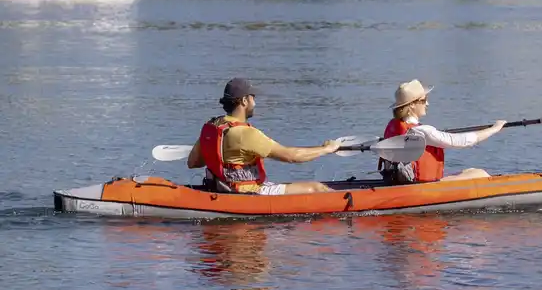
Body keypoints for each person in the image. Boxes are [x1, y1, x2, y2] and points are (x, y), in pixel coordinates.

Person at [187, 77, 341, 195]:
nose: (255, 103)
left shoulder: (213, 126)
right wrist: (326, 149)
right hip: (248, 193)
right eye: (253, 98)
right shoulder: (246, 134)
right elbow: (292, 156)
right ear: (244, 101)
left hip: (220, 189)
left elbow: (193, 162)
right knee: (316, 188)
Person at [379, 79, 505, 185]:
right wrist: (494, 129)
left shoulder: (393, 126)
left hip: (406, 182)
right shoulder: (422, 131)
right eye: (423, 100)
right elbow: (462, 141)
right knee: (481, 174)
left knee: (470, 170)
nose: (427, 103)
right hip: (422, 187)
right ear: (411, 105)